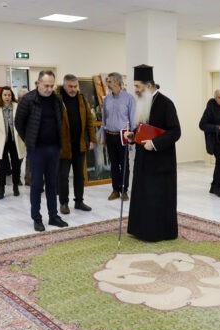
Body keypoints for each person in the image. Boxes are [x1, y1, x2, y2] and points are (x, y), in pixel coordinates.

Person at [126, 64, 181, 242]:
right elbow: (143, 129)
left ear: (149, 85)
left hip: (160, 162)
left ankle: (156, 233)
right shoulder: (143, 102)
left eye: (138, 86)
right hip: (143, 160)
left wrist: (155, 144)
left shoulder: (166, 104)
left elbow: (175, 132)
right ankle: (140, 230)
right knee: (143, 195)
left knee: (155, 197)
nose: (136, 90)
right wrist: (133, 136)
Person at [14, 70, 68, 232]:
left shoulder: (57, 100)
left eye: (52, 85)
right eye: (46, 86)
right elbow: (18, 123)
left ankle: (53, 216)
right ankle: (36, 218)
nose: (49, 89)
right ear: (38, 83)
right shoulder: (28, 100)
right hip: (36, 150)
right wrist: (29, 140)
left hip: (54, 148)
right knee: (37, 184)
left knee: (52, 183)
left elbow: (60, 120)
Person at [58, 74, 97, 214]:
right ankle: (63, 203)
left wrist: (92, 139)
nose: (73, 89)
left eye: (75, 86)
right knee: (63, 176)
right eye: (70, 86)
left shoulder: (82, 99)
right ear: (64, 85)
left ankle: (79, 201)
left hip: (79, 144)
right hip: (63, 146)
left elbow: (89, 120)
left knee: (80, 175)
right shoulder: (57, 99)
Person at [101, 72, 136, 201]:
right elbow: (104, 119)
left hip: (123, 136)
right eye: (107, 81)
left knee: (124, 163)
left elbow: (133, 119)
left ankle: (124, 190)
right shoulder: (106, 99)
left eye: (110, 81)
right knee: (114, 164)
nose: (107, 84)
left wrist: (132, 136)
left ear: (118, 82)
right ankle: (115, 190)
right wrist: (103, 136)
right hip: (110, 135)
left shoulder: (129, 99)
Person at [0, 86, 26, 199]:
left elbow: (23, 123)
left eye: (9, 95)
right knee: (2, 166)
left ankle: (15, 186)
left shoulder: (17, 107)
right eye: (5, 95)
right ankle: (1, 189)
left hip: (15, 141)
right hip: (1, 142)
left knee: (16, 164)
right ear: (1, 96)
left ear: (11, 96)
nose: (7, 97)